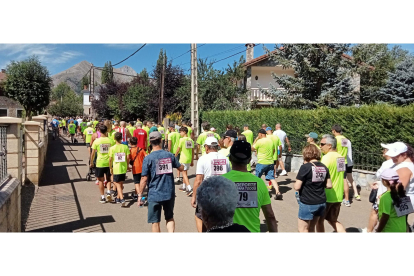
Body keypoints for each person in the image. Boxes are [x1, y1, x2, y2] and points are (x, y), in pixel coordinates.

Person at [223, 140, 278, 232]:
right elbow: (270, 216)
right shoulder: (259, 183)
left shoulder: (220, 181)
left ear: (230, 159)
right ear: (249, 160)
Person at [137, 131, 184, 232]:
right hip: (169, 192)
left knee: (155, 221)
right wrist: (183, 165)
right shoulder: (170, 155)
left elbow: (144, 178)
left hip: (154, 193)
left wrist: (140, 195)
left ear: (150, 142)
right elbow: (180, 168)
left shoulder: (148, 158)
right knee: (169, 217)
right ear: (161, 140)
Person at [191, 137, 231, 232]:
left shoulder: (203, 159)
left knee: (199, 216)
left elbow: (198, 180)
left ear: (207, 147)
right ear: (217, 146)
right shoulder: (225, 159)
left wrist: (194, 196)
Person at [294, 144, 333, 232]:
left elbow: (297, 187)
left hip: (308, 202)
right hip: (321, 202)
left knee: (303, 229)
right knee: (311, 228)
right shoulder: (324, 167)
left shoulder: (305, 167)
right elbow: (329, 185)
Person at [316, 134, 346, 232]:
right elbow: (341, 174)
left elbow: (320, 176)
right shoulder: (340, 157)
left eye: (322, 144)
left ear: (329, 145)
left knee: (319, 221)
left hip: (327, 195)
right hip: (338, 195)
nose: (320, 146)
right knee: (333, 220)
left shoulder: (326, 158)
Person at [384, 141, 414, 231]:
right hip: (404, 200)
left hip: (401, 201)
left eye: (396, 155)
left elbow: (398, 189)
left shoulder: (405, 168)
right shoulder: (407, 165)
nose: (392, 157)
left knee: (396, 225)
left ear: (404, 155)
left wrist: (384, 196)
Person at [367, 145, 395, 232]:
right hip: (395, 194)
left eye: (384, 151)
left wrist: (377, 182)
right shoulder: (401, 164)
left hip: (383, 193)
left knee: (375, 211)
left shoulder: (386, 164)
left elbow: (379, 175)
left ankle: (369, 231)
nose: (383, 152)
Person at [252, 129, 282, 200]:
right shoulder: (270, 141)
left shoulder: (260, 141)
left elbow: (252, 148)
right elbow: (274, 150)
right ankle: (278, 192)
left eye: (258, 134)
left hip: (262, 162)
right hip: (270, 162)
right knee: (272, 178)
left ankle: (256, 193)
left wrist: (256, 140)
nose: (258, 135)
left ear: (261, 134)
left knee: (257, 178)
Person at [90, 124, 115, 203]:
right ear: (107, 131)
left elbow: (93, 153)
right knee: (108, 179)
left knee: (100, 180)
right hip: (109, 163)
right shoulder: (111, 140)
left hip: (100, 163)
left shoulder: (97, 141)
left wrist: (91, 162)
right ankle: (108, 192)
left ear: (99, 131)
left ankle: (102, 197)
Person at [331, 124, 352, 207]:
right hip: (344, 160)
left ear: (334, 131)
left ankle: (335, 196)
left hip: (336, 160)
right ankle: (346, 200)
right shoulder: (345, 139)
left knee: (333, 178)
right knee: (344, 179)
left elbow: (334, 150)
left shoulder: (335, 140)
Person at [109, 132, 131, 206]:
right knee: (120, 183)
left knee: (116, 183)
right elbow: (128, 157)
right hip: (123, 167)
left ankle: (122, 199)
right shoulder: (125, 147)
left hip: (116, 167)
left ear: (114, 138)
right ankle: (118, 198)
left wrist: (110, 167)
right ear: (121, 138)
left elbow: (110, 159)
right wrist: (127, 165)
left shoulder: (112, 148)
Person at [175, 127, 194, 196]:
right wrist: (192, 160)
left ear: (184, 132)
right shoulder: (191, 140)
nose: (180, 133)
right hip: (189, 158)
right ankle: (183, 187)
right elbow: (192, 151)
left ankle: (189, 188)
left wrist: (174, 156)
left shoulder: (182, 140)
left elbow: (178, 149)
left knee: (184, 173)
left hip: (183, 158)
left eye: (180, 132)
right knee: (185, 172)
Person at [129, 137, 147, 202]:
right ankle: (136, 194)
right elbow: (146, 156)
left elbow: (129, 159)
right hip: (142, 168)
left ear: (130, 143)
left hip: (135, 168)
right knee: (141, 182)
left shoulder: (130, 151)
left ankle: (140, 195)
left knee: (136, 182)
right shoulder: (141, 149)